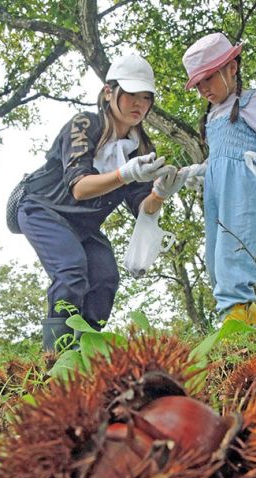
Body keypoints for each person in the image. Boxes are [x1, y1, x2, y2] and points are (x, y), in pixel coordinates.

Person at [17, 54, 187, 350]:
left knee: (105, 277)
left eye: (146, 97)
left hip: (82, 225)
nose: (139, 103)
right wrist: (126, 173)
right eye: (131, 94)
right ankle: (55, 360)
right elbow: (80, 189)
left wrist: (160, 192)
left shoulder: (141, 148)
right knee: (71, 272)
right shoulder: (84, 125)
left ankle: (87, 354)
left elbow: (142, 207)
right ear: (109, 92)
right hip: (42, 209)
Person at [180, 33, 256, 325]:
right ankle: (249, 317)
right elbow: (219, 156)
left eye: (208, 78)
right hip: (216, 190)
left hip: (244, 185)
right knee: (215, 255)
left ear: (232, 68)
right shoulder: (211, 116)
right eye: (198, 84)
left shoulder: (253, 100)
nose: (204, 89)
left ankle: (237, 315)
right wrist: (197, 171)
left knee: (234, 249)